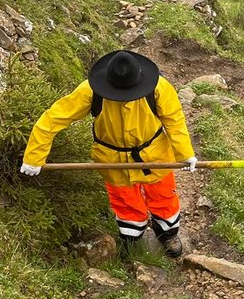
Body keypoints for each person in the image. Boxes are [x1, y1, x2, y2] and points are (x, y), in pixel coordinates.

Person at [20, 50, 197, 258]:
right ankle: (132, 239)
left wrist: (185, 153)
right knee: (125, 202)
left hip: (155, 155)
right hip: (112, 161)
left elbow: (174, 121)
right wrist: (34, 156)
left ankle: (168, 233)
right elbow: (53, 119)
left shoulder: (159, 87)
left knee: (163, 196)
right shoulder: (91, 91)